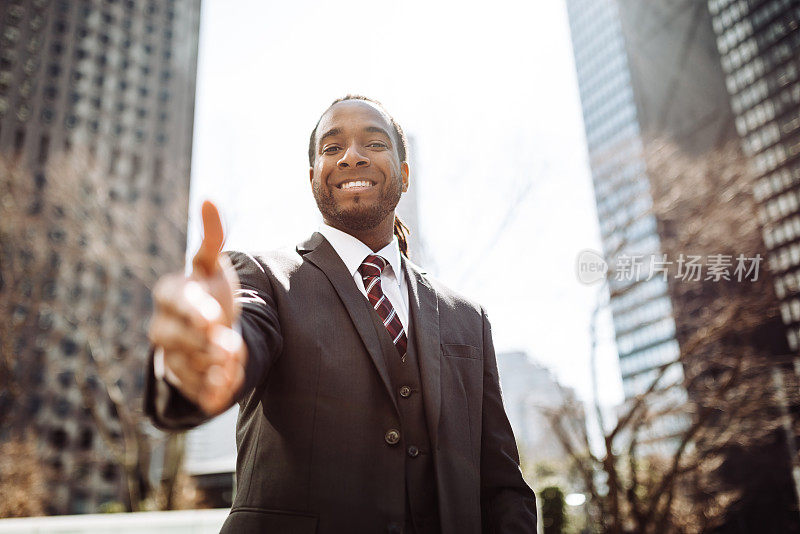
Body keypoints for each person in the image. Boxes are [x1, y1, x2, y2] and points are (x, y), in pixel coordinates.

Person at [145, 95, 537, 533]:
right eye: (332, 148)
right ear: (313, 176)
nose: (352, 156)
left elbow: (503, 485)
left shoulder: (468, 317)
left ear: (404, 175)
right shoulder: (260, 278)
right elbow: (237, 332)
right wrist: (197, 362)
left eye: (374, 143)